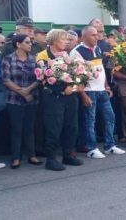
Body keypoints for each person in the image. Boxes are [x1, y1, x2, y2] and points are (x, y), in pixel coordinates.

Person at [71, 26, 125, 158]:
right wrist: (83, 95)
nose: (96, 37)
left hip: (101, 90)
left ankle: (109, 145)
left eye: (97, 34)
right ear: (84, 37)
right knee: (90, 120)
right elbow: (76, 76)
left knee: (109, 117)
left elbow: (101, 69)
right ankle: (91, 148)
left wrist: (107, 86)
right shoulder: (77, 52)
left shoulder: (98, 49)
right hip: (89, 91)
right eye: (93, 35)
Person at [35, 29, 84, 171]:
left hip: (70, 97)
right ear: (54, 40)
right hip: (53, 97)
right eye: (63, 39)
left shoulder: (66, 54)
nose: (66, 42)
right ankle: (51, 159)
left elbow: (75, 73)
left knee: (72, 126)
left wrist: (75, 85)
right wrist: (62, 89)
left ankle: (68, 155)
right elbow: (44, 77)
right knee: (54, 128)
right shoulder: (43, 55)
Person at [1, 34, 41, 169]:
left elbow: (39, 78)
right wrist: (22, 92)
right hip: (14, 100)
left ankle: (32, 155)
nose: (30, 44)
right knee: (16, 129)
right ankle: (16, 158)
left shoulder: (34, 59)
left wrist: (28, 90)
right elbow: (6, 80)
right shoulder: (8, 59)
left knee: (30, 128)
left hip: (32, 98)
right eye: (27, 42)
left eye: (31, 42)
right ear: (18, 44)